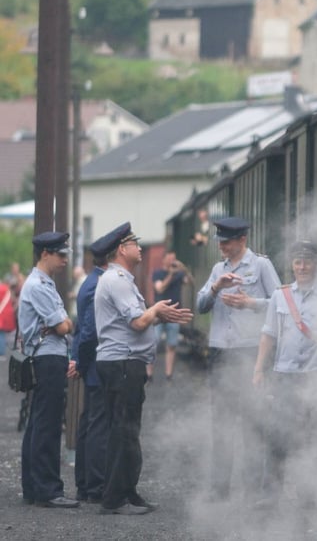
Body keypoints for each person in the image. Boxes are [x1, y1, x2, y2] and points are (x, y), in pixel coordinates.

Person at [94, 222, 193, 515]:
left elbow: (139, 319)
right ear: (122, 249)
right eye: (135, 243)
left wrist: (158, 316)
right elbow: (137, 322)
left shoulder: (123, 279)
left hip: (125, 363)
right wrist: (155, 311)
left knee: (126, 429)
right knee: (124, 431)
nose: (140, 248)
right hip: (123, 363)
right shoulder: (118, 280)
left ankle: (127, 490)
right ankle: (114, 499)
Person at [196, 216, 281, 500]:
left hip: (249, 353)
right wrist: (216, 287)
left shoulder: (261, 265)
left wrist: (250, 303)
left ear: (242, 240)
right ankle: (220, 488)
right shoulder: (217, 269)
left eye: (227, 241)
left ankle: (255, 487)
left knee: (254, 422)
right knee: (220, 421)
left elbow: (280, 304)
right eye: (220, 241)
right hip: (221, 351)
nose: (222, 246)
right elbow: (200, 305)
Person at [252, 241, 317, 501]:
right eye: (297, 262)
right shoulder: (280, 296)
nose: (302, 267)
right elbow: (268, 335)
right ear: (292, 265)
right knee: (277, 435)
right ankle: (270, 493)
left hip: (315, 376)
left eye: (307, 261)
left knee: (312, 435)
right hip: (284, 374)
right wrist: (259, 370)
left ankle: (310, 493)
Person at [18, 231, 78, 508]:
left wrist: (62, 323)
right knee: (48, 425)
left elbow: (64, 324)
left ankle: (34, 487)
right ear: (45, 254)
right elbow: (64, 325)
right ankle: (48, 490)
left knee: (39, 423)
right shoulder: (40, 286)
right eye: (60, 254)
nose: (65, 259)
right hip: (47, 357)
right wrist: (62, 322)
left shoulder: (44, 283)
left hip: (46, 356)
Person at [68, 241, 110, 504]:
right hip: (96, 363)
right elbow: (88, 332)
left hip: (90, 362)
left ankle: (85, 484)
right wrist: (82, 363)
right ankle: (94, 486)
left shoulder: (91, 281)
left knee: (88, 424)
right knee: (97, 426)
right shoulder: (97, 285)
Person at [152, 251, 191, 380]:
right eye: (169, 259)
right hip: (158, 314)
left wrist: (183, 268)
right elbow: (160, 288)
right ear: (163, 260)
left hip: (175, 313)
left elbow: (190, 282)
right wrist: (170, 274)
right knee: (153, 343)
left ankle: (169, 374)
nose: (172, 262)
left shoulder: (179, 274)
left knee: (172, 344)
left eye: (174, 259)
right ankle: (148, 374)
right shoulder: (158, 273)